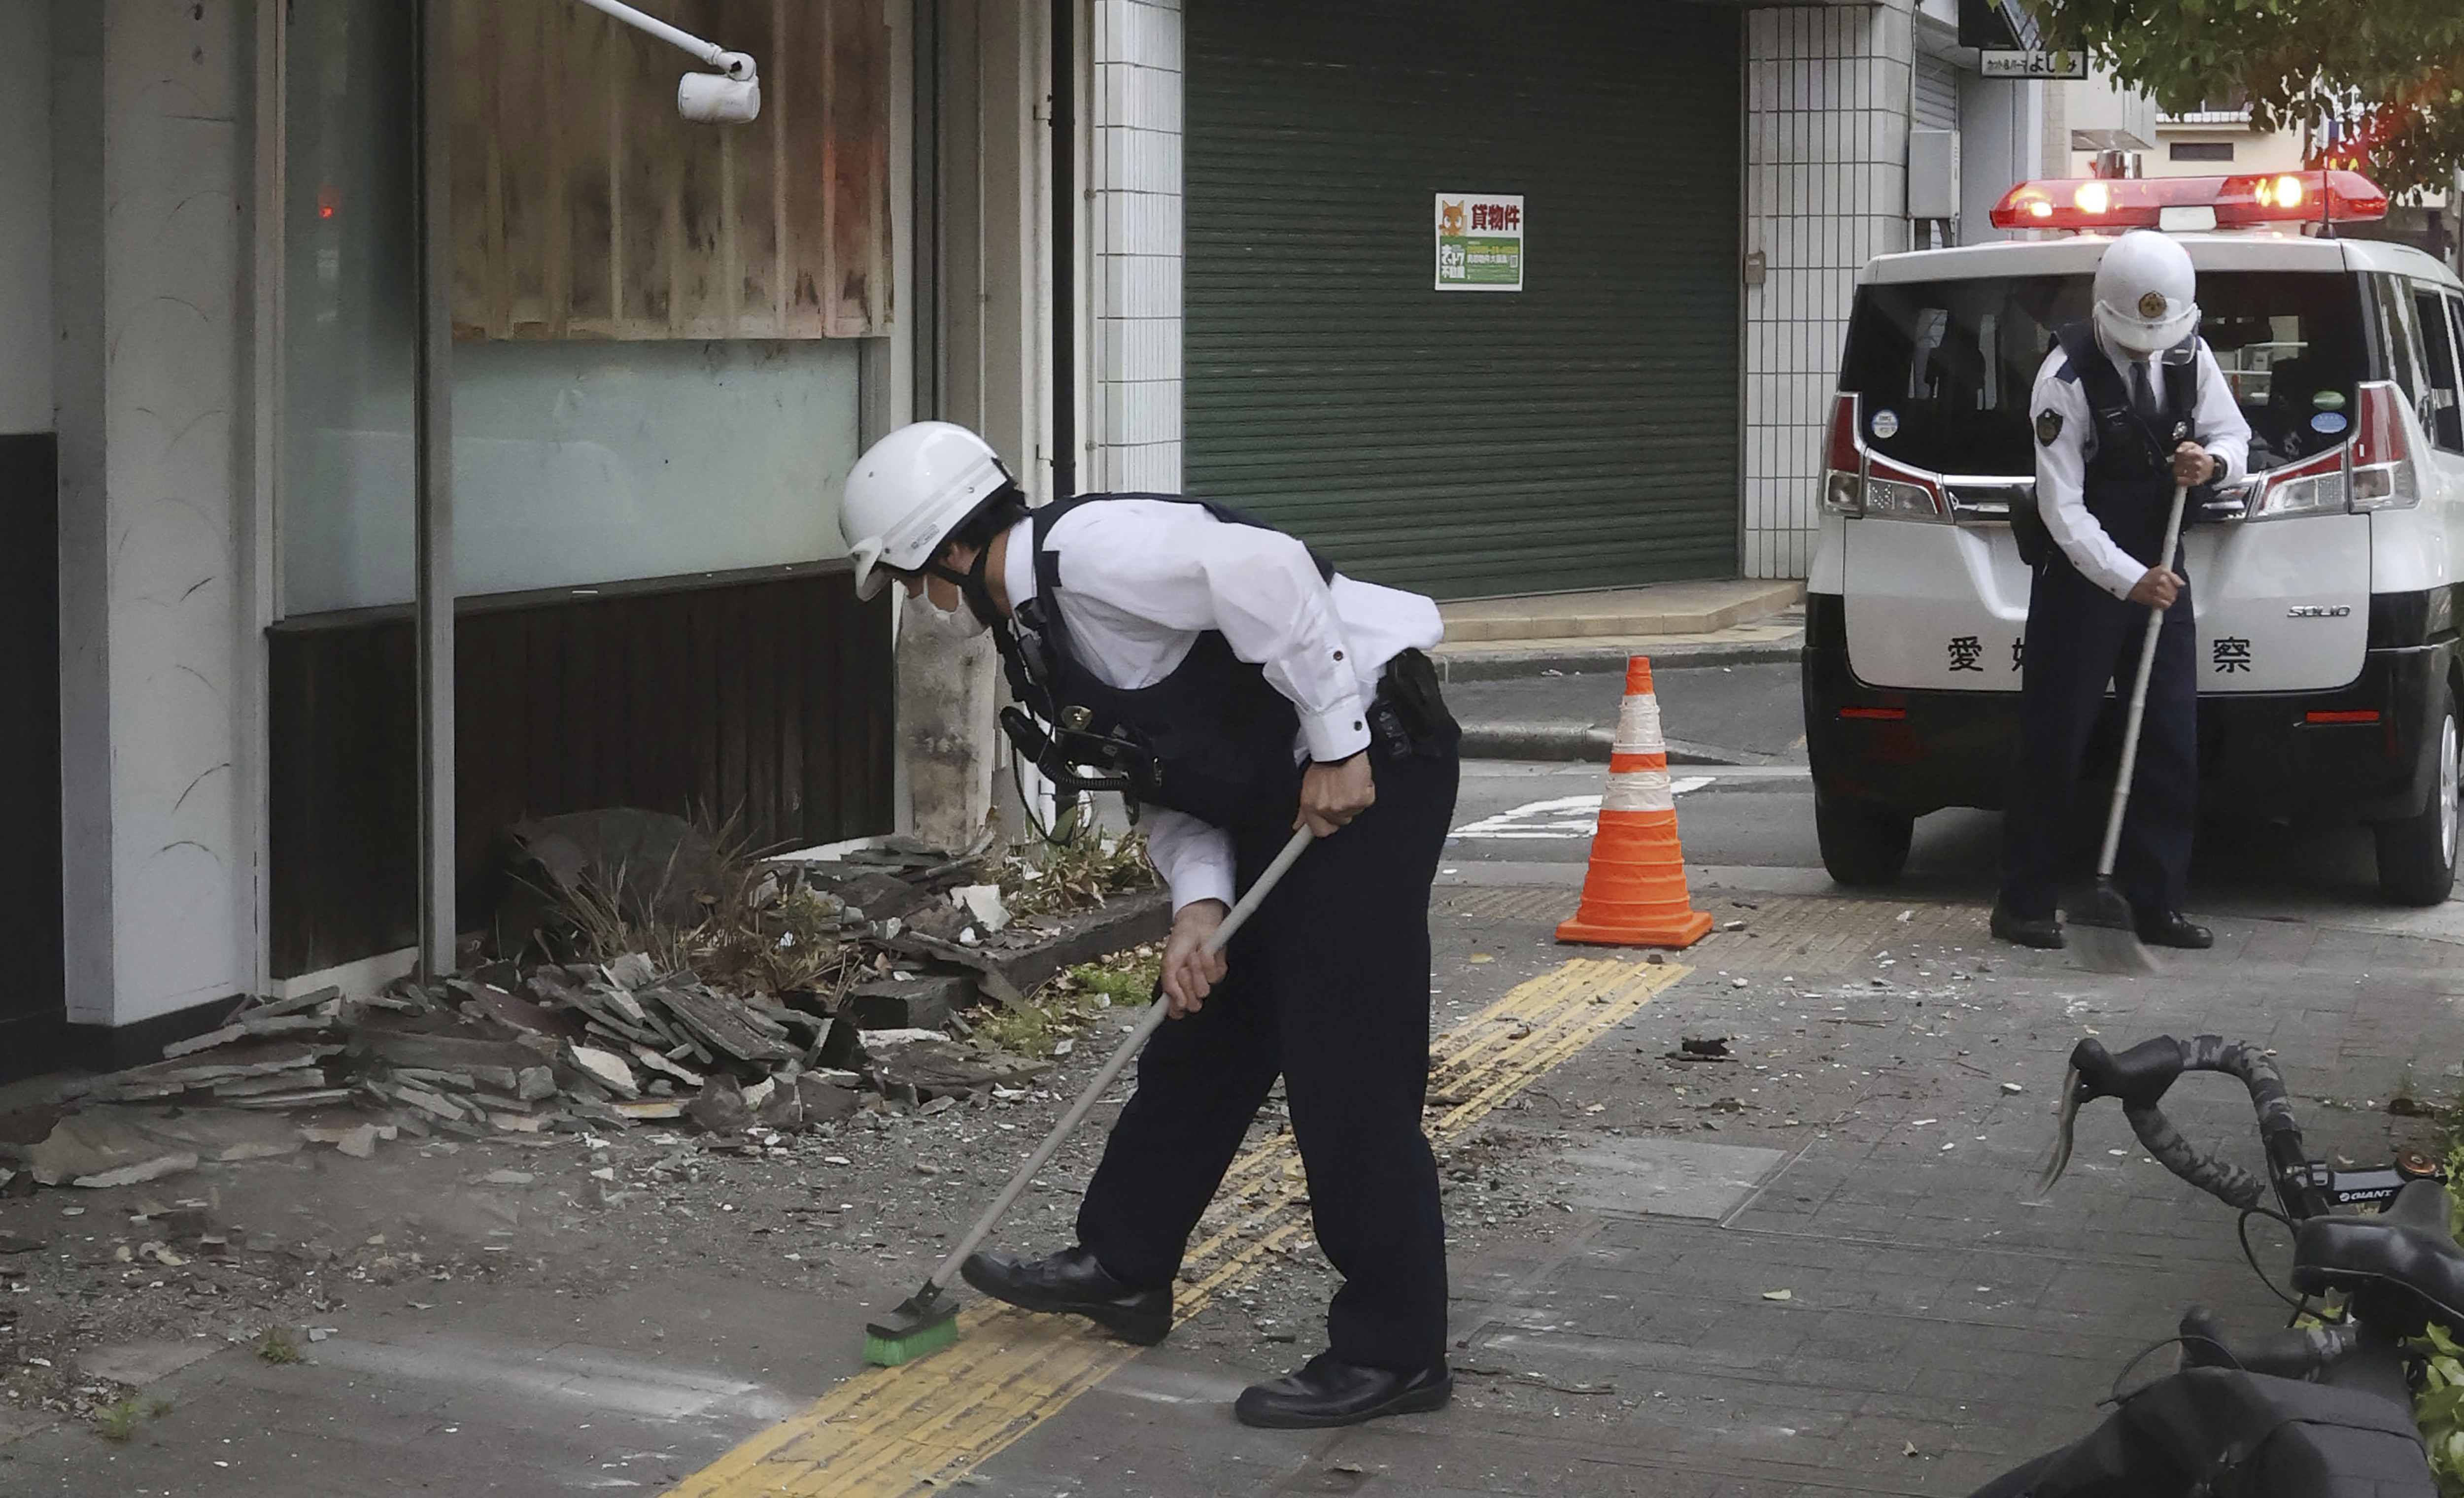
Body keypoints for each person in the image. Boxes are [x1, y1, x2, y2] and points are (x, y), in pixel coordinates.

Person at [837, 422, 1462, 1430]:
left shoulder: (1087, 554)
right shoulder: (1039, 630)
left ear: (951, 548)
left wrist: (1341, 741)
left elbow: (1267, 566)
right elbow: (1165, 768)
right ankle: (1125, 1263)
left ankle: (1396, 1348)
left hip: (1375, 760)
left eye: (915, 579)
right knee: (1206, 1028)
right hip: (1273, 788)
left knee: (1346, 1054)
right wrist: (1198, 907)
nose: (922, 601)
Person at [1993, 230, 2251, 951]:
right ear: (2105, 313)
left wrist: (2212, 463)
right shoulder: (2064, 381)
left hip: (2163, 570)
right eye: (2136, 339)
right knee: (2056, 738)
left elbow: (2235, 434)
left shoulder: (2189, 354)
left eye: (2157, 337)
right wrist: (2128, 580)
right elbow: (2062, 510)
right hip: (2086, 582)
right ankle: (2025, 902)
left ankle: (2155, 900)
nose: (2147, 351)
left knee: (2169, 737)